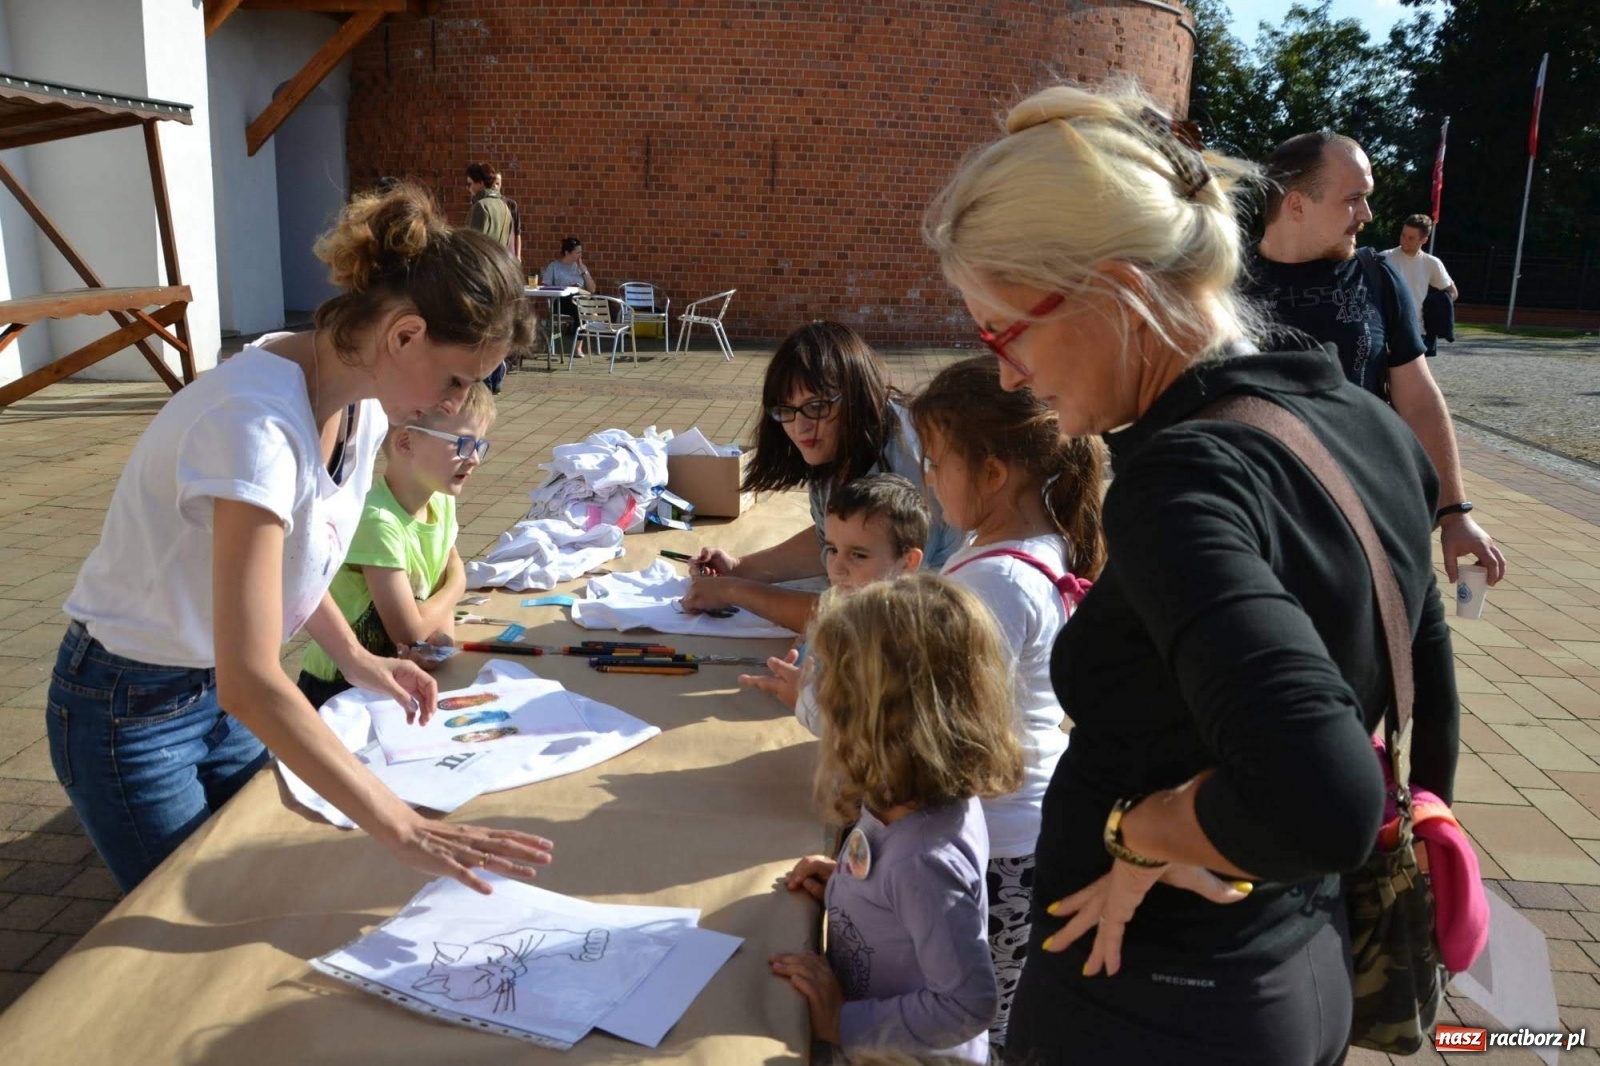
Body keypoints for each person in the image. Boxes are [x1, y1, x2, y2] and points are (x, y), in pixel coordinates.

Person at [924, 84, 1460, 1064]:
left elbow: (1322, 795)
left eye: (1005, 330)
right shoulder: (1358, 419)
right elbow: (1423, 684)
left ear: (1118, 291)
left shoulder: (1177, 481)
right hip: (1298, 968)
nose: (1002, 373)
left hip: (1164, 1009)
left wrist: (1149, 832)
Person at [48, 184, 552, 894]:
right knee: (200, 899)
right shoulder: (253, 429)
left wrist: (354, 659)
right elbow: (252, 680)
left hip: (209, 690)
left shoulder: (364, 410)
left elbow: (298, 557)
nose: (453, 404)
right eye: (457, 378)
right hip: (129, 709)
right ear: (404, 336)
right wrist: (401, 825)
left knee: (262, 878)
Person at [908, 354, 1105, 1053]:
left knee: (977, 1018)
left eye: (935, 462)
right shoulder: (1022, 546)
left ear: (993, 474)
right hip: (1018, 831)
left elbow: (942, 727)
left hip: (995, 845)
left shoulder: (991, 584)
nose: (926, 480)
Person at [769, 575, 1024, 1064]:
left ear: (877, 718)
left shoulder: (923, 861)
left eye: (832, 686)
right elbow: (900, 904)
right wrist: (848, 885)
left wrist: (842, 1022)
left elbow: (966, 1004)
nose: (818, 695)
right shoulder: (903, 794)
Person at [1248, 132, 1504, 587]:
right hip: (1249, 527)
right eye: (1353, 200)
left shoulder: (1377, 278)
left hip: (1362, 524)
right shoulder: (1223, 281)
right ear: (1296, 204)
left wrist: (1454, 514)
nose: (1366, 215)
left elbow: (1419, 400)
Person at [684, 321, 961, 632]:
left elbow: (867, 617)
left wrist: (737, 591)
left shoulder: (911, 471)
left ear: (856, 395)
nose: (799, 427)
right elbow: (840, 538)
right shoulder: (839, 442)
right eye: (786, 410)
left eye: (816, 406)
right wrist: (742, 568)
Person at [296, 382, 497, 709]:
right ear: (404, 442)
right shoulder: (378, 521)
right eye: (462, 443)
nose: (474, 458)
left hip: (397, 677)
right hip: (338, 687)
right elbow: (410, 629)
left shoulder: (441, 502)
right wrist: (459, 584)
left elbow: (435, 594)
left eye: (479, 445)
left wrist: (440, 643)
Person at [739, 472, 928, 716]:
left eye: (858, 555)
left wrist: (806, 701)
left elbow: (874, 728)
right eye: (832, 549)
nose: (837, 568)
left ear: (907, 562)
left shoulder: (901, 639)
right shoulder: (842, 605)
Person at [465, 164, 515, 393]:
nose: (468, 189)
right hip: (499, 273)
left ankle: (484, 379)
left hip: (480, 274)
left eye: (470, 184)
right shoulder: (505, 207)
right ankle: (495, 373)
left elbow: (472, 245)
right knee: (494, 327)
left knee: (479, 330)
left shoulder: (481, 206)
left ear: (480, 183)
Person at [1382, 213, 1458, 357]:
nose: (1404, 240)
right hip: (1386, 329)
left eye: (1411, 238)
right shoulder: (1385, 258)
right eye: (1403, 235)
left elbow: (1452, 292)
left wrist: (1438, 306)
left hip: (1417, 331)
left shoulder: (1431, 263)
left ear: (1424, 240)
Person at [543, 237, 595, 358]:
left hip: (579, 301)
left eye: (581, 253)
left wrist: (583, 271)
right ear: (567, 253)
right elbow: (546, 287)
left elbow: (592, 290)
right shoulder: (554, 266)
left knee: (581, 309)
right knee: (581, 309)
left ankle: (578, 347)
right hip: (560, 302)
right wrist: (565, 287)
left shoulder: (581, 267)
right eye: (577, 253)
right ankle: (577, 346)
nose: (579, 256)